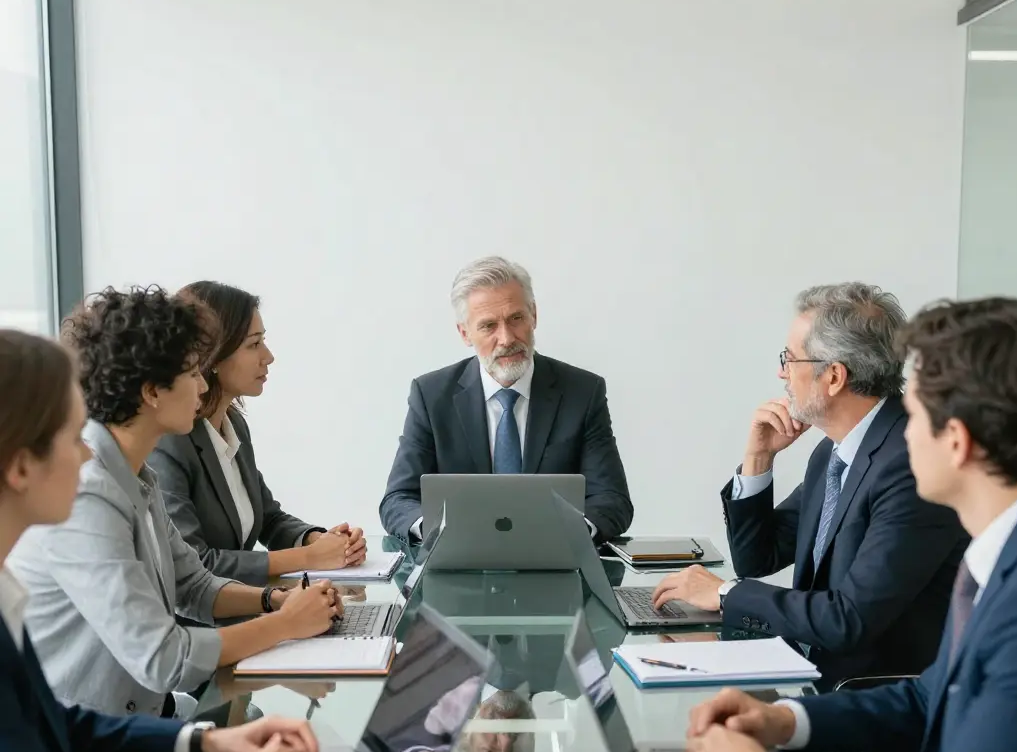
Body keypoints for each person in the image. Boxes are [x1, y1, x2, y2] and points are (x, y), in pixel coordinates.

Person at [674, 296, 1017, 752]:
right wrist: (785, 722)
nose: (900, 424)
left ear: (956, 442)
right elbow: (928, 695)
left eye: (915, 411)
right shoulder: (998, 558)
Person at [0, 327, 324, 752]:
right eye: (68, 434)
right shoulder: (94, 497)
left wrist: (208, 742)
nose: (84, 449)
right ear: (20, 467)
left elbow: (63, 727)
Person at [8, 287, 341, 752]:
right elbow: (164, 658)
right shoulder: (87, 490)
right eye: (192, 372)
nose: (203, 382)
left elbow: (194, 584)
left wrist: (276, 601)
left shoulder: (135, 475)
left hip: (147, 727)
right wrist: (285, 625)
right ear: (152, 393)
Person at [653, 282, 967, 687]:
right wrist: (758, 459)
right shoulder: (833, 452)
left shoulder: (911, 464)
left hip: (869, 696)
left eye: (790, 358)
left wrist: (726, 595)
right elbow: (757, 560)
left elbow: (849, 619)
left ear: (833, 376)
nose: (782, 372)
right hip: (804, 668)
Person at [379, 256, 633, 544]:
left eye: (516, 318)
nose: (507, 338)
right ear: (465, 333)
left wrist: (571, 533)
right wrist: (437, 532)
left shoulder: (583, 392)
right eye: (488, 326)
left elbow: (612, 500)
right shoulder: (431, 395)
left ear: (533, 315)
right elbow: (397, 500)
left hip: (554, 563)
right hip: (459, 567)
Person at [149, 280, 366, 587]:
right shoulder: (170, 442)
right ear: (213, 356)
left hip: (244, 609)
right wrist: (310, 558)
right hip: (202, 625)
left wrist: (321, 541)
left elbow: (269, 519)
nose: (268, 356)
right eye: (254, 344)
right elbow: (198, 563)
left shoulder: (233, 424)